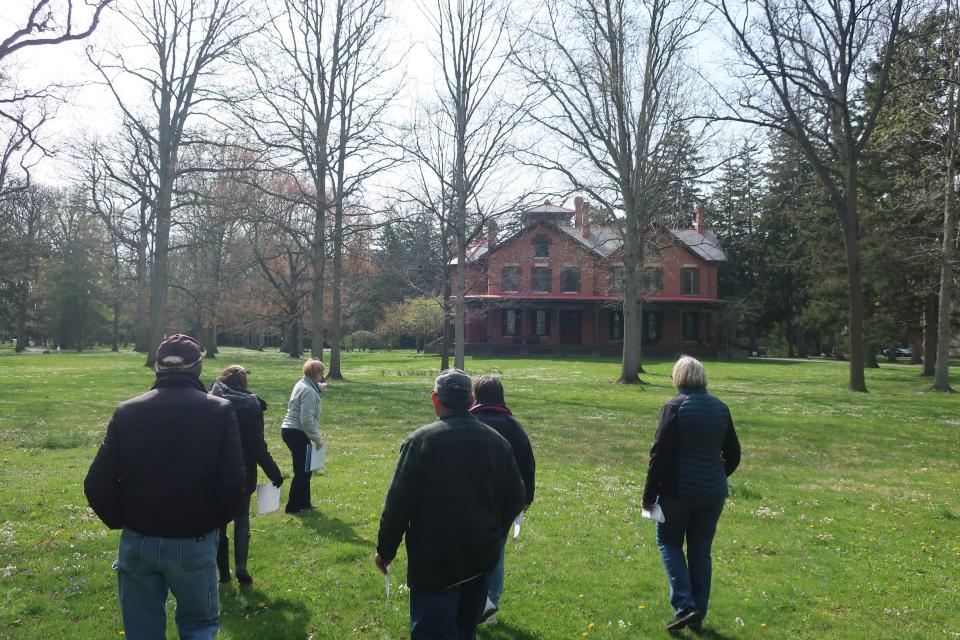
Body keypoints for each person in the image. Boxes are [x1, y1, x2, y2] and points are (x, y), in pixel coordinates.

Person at [84, 334, 246, 640]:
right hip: (194, 538)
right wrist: (213, 522)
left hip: (139, 539)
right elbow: (234, 481)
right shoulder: (219, 410)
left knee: (142, 630)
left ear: (157, 368)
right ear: (198, 369)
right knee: (198, 626)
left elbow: (97, 483)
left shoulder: (128, 411)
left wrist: (125, 520)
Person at [374, 369, 526, 640]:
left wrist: (385, 551)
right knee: (465, 631)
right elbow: (516, 498)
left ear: (436, 400)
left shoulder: (421, 442)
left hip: (435, 563)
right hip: (480, 558)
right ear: (470, 401)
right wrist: (493, 532)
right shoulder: (497, 441)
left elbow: (398, 505)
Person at [641, 356, 741, 633]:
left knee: (669, 544)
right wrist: (718, 475)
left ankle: (685, 605)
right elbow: (733, 454)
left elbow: (659, 455)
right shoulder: (721, 408)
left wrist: (648, 495)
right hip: (712, 495)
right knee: (701, 553)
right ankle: (697, 615)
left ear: (678, 377)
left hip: (677, 493)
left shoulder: (673, 407)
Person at [469, 375, 536, 625]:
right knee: (496, 553)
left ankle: (478, 602)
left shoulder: (469, 422)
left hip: (472, 499)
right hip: (504, 504)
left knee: (470, 551)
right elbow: (528, 465)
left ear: (476, 396)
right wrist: (527, 497)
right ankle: (490, 605)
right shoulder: (514, 427)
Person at [210, 364, 284, 585]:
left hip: (216, 472)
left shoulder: (209, 399)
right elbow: (257, 446)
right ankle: (241, 567)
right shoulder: (251, 405)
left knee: (219, 525)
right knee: (242, 519)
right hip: (243, 472)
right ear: (243, 381)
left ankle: (223, 573)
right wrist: (274, 473)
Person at [280, 359, 327, 514]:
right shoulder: (309, 391)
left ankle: (305, 503)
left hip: (289, 430)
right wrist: (317, 439)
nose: (322, 376)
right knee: (302, 471)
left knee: (306, 469)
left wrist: (320, 387)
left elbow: (311, 388)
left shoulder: (302, 384)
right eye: (321, 373)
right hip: (297, 432)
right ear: (317, 374)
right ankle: (293, 507)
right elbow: (305, 419)